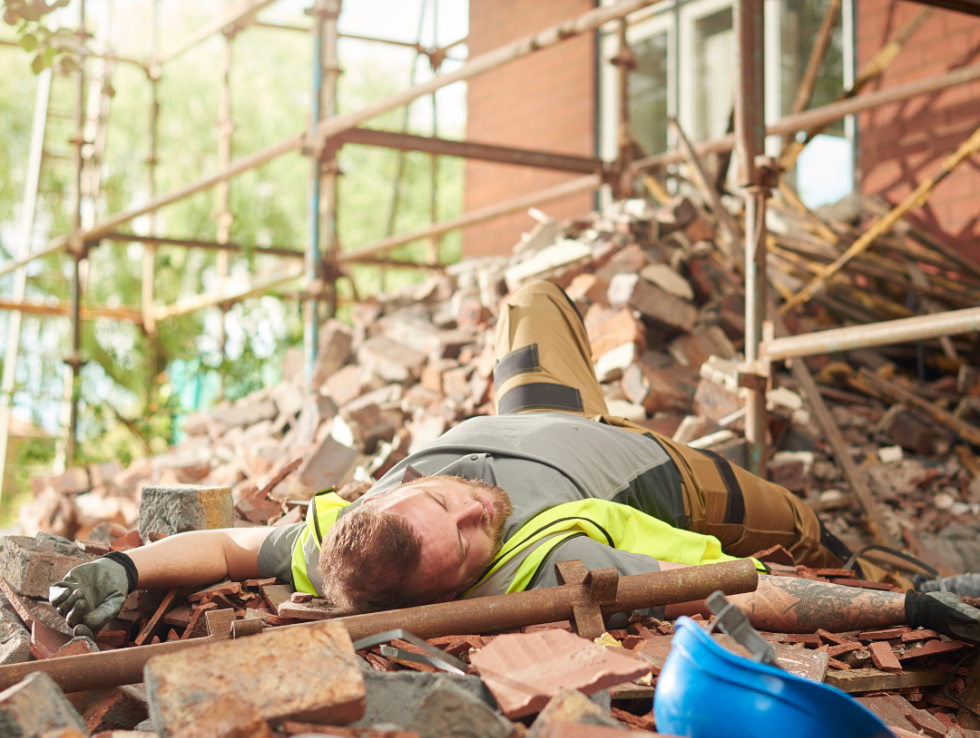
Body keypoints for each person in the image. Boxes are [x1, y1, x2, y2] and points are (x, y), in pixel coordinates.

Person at [51, 281, 980, 643]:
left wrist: (122, 566)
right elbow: (734, 587)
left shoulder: (336, 536)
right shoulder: (551, 560)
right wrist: (903, 608)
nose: (475, 508)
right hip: (657, 469)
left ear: (389, 496)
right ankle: (884, 560)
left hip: (541, 410)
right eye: (466, 539)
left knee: (531, 297)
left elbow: (223, 548)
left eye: (440, 500)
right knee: (800, 528)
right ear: (461, 584)